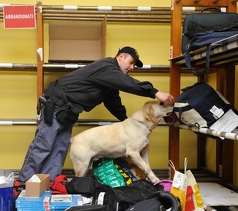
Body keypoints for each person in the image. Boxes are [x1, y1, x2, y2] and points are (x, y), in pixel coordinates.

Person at [19, 46, 174, 182]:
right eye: (131, 62)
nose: (132, 67)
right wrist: (155, 92)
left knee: (60, 149)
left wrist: (128, 122)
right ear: (121, 57)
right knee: (43, 146)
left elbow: (113, 104)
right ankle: (24, 184)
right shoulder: (107, 67)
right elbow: (128, 83)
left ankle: (49, 184)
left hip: (67, 112)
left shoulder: (110, 81)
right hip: (55, 106)